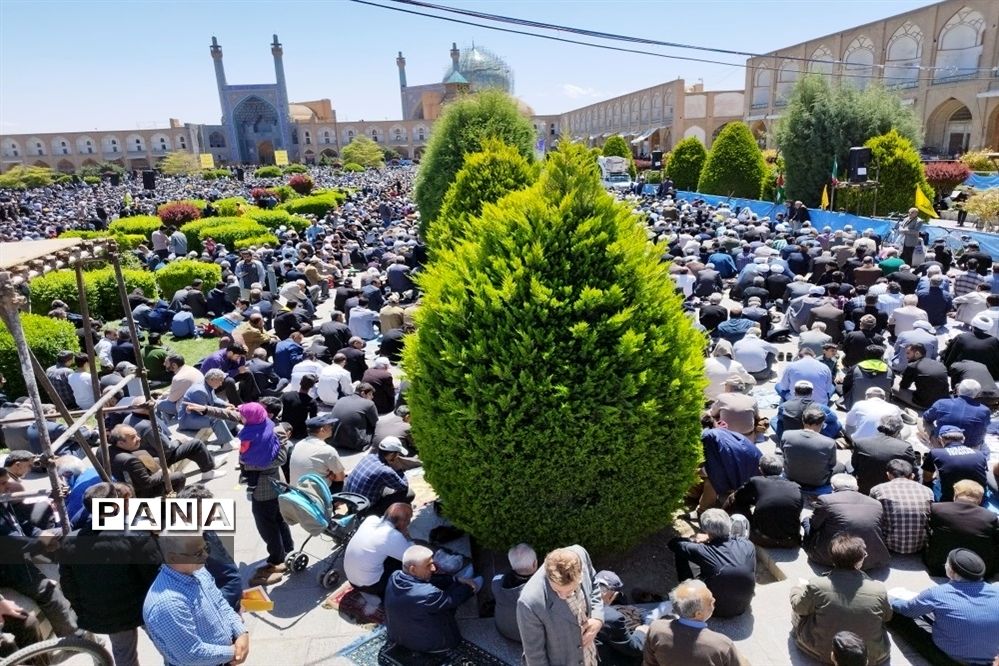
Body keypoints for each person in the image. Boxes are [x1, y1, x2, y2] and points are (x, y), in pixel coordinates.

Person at [59, 482, 161, 666]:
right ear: (115, 505)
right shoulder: (135, 533)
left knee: (124, 656)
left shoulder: (70, 542)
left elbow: (68, 585)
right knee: (167, 644)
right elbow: (156, 574)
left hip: (109, 616)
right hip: (145, 608)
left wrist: (84, 610)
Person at [142, 530, 249, 666]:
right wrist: (234, 652)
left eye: (206, 548)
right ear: (173, 558)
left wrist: (241, 632)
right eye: (198, 553)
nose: (205, 555)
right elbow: (192, 654)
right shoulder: (168, 604)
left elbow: (220, 604)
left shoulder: (198, 571)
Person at [791, 534, 892, 665]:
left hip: (820, 651)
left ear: (833, 560)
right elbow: (887, 617)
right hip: (873, 656)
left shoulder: (817, 585)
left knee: (800, 609)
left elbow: (799, 608)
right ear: (859, 562)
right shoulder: (878, 589)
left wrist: (796, 590)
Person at [889, 548, 999, 666]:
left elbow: (907, 609)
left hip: (951, 659)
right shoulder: (996, 591)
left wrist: (891, 600)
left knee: (898, 618)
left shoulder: (937, 594)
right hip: (990, 658)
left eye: (947, 563)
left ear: (951, 571)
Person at [384, 545, 480, 656]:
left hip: (398, 636)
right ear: (413, 569)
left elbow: (427, 581)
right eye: (429, 565)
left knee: (439, 590)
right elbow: (452, 600)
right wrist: (470, 587)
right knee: (449, 599)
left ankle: (461, 581)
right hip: (432, 645)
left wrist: (455, 579)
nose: (434, 568)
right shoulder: (428, 594)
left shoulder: (394, 576)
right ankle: (471, 582)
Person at [517, 545, 604, 666]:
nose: (563, 596)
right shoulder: (529, 603)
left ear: (580, 573)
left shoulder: (581, 554)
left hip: (590, 656)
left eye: (570, 591)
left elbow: (594, 582)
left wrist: (597, 618)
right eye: (557, 591)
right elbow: (535, 656)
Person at [667, 509, 756, 618]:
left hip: (710, 611)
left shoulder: (702, 550)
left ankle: (686, 588)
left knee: (682, 552)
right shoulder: (748, 544)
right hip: (742, 608)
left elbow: (673, 543)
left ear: (706, 531)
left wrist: (693, 540)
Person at [642, 579, 743, 666]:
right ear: (698, 614)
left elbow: (649, 663)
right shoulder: (722, 645)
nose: (714, 600)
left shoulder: (656, 629)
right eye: (710, 602)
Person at [804, 474, 890, 571]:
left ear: (832, 487)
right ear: (857, 487)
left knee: (807, 521)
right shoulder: (876, 504)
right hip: (872, 559)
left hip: (832, 557)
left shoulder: (826, 500)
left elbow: (815, 525)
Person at [924, 480, 999, 578]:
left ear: (955, 494)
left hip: (939, 567)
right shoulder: (990, 517)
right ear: (980, 499)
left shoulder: (937, 509)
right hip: (978, 571)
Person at [730, 454, 803, 547]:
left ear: (760, 470)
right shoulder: (796, 487)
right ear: (782, 470)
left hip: (761, 539)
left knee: (734, 499)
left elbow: (739, 496)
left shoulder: (755, 481)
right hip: (791, 541)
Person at [343, 503, 414, 599]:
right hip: (371, 586)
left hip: (351, 580)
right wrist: (407, 536)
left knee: (386, 553)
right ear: (402, 522)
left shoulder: (371, 519)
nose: (409, 523)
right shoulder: (393, 536)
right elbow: (413, 557)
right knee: (409, 566)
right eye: (408, 520)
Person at [869, 459, 934, 555]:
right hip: (919, 545)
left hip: (889, 545)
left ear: (888, 475)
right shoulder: (928, 491)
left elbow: (872, 517)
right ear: (912, 476)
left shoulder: (878, 490)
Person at [107, 424, 187, 497]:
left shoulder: (103, 450)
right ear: (121, 443)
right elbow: (147, 483)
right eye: (133, 438)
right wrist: (163, 472)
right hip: (138, 492)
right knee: (179, 476)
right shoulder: (131, 460)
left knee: (156, 460)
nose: (139, 438)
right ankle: (167, 505)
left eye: (136, 435)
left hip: (120, 480)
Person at [698, 426, 761, 513]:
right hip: (755, 462)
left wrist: (696, 474)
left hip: (744, 467)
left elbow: (713, 472)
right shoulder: (722, 433)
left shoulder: (708, 439)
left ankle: (703, 509)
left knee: (711, 479)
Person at [343, 437, 414, 514]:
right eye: (397, 454)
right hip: (365, 510)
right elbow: (404, 487)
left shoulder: (369, 457)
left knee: (388, 485)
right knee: (409, 494)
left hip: (351, 503)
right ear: (391, 454)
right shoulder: (385, 471)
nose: (398, 456)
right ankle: (379, 513)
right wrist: (398, 468)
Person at [850, 413, 917, 495]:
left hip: (863, 487)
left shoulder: (860, 442)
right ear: (898, 431)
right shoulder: (904, 447)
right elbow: (912, 470)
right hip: (889, 490)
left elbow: (854, 464)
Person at [921, 425, 989, 502]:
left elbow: (927, 478)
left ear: (940, 439)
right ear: (963, 439)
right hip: (979, 499)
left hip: (949, 500)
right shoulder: (979, 454)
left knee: (925, 478)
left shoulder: (935, 453)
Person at [779, 406, 840, 490]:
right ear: (822, 424)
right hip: (817, 482)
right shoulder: (829, 443)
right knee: (840, 467)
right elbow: (832, 464)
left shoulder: (787, 434)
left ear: (803, 420)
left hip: (791, 476)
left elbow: (784, 454)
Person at [593, 569, 646, 664]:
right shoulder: (612, 618)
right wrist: (641, 631)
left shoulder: (579, 603)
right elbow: (634, 648)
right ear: (614, 595)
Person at [922, 379, 992, 450]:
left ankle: (933, 445)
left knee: (921, 421)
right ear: (978, 394)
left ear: (958, 390)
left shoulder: (941, 403)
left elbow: (926, 417)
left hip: (943, 445)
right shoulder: (985, 410)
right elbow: (985, 427)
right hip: (971, 449)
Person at [177, 368, 236, 448]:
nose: (221, 384)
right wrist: (224, 410)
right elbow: (203, 412)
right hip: (188, 420)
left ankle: (231, 431)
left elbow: (214, 399)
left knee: (229, 411)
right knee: (216, 418)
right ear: (212, 379)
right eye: (220, 380)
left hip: (197, 415)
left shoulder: (208, 385)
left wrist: (226, 404)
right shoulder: (199, 391)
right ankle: (225, 444)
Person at [491, 543, 538, 643]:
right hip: (531, 637)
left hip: (503, 628)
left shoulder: (496, 581)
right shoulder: (541, 592)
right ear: (535, 563)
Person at [288, 413, 344, 487]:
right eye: (330, 425)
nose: (332, 428)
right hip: (315, 494)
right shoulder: (328, 450)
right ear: (322, 430)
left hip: (296, 490)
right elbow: (340, 478)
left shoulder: (299, 444)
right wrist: (331, 475)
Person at [894, 343, 949, 411]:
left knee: (894, 384)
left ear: (917, 353)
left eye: (908, 353)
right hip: (943, 402)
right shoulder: (940, 364)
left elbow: (903, 386)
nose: (906, 356)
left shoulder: (913, 366)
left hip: (924, 404)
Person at [330, 382, 378, 451]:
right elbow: (376, 423)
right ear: (363, 393)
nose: (372, 397)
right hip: (355, 444)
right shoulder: (369, 404)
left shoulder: (341, 399)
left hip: (334, 440)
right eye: (370, 394)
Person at [280, 373, 318, 440]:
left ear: (300, 382)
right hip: (300, 433)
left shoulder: (286, 395)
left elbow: (278, 408)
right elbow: (313, 420)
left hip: (284, 429)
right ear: (312, 387)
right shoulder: (312, 402)